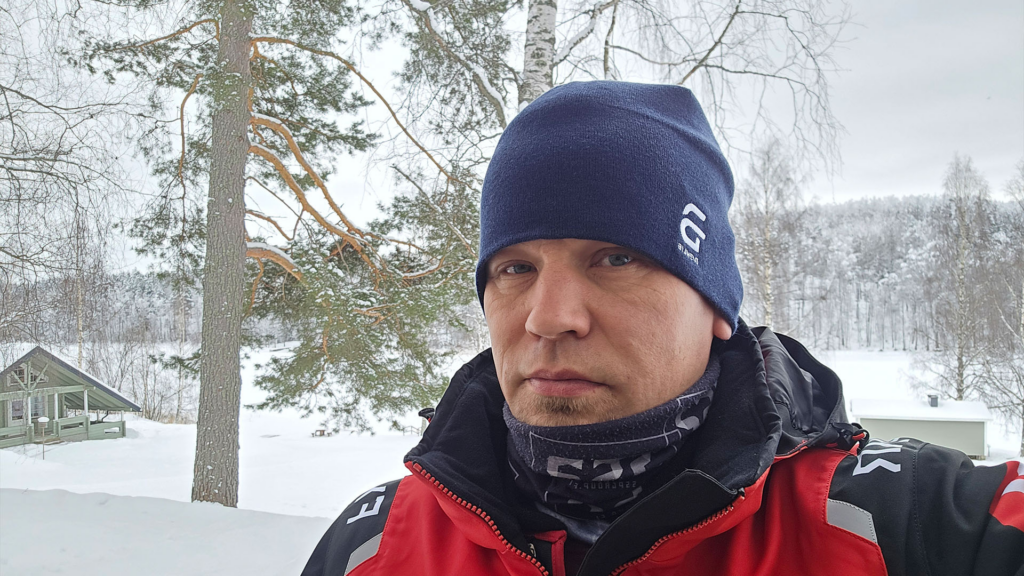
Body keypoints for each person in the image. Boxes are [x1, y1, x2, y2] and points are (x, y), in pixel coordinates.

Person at [301, 81, 1023, 576]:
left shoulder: (910, 524)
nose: (549, 317)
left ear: (715, 305)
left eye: (615, 258)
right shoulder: (373, 548)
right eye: (515, 268)